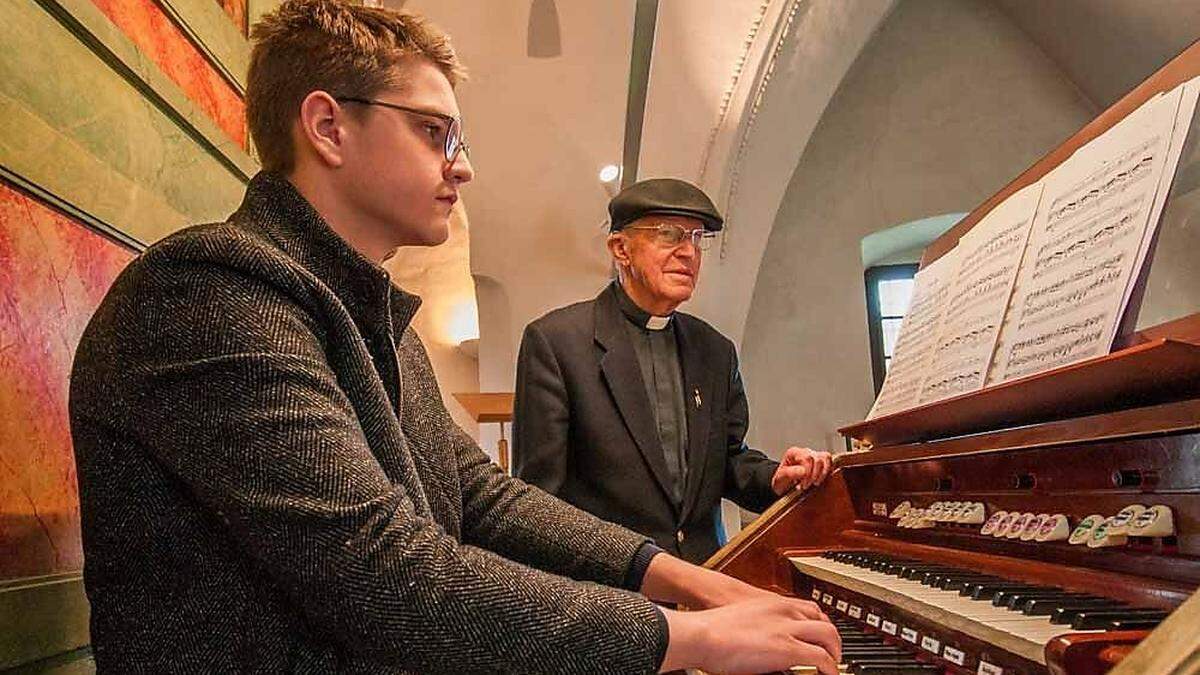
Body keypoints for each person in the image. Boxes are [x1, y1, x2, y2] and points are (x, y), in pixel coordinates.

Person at [68, 1, 841, 673]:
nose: (462, 166)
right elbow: (385, 574)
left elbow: (482, 497)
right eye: (436, 132)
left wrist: (677, 575)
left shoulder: (366, 311)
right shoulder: (213, 291)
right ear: (328, 126)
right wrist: (684, 636)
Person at [513, 178, 834, 564]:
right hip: (611, 590)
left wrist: (774, 477)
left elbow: (728, 460)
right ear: (620, 249)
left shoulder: (715, 351)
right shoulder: (556, 343)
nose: (689, 253)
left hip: (707, 578)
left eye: (697, 239)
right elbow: (539, 502)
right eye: (669, 235)